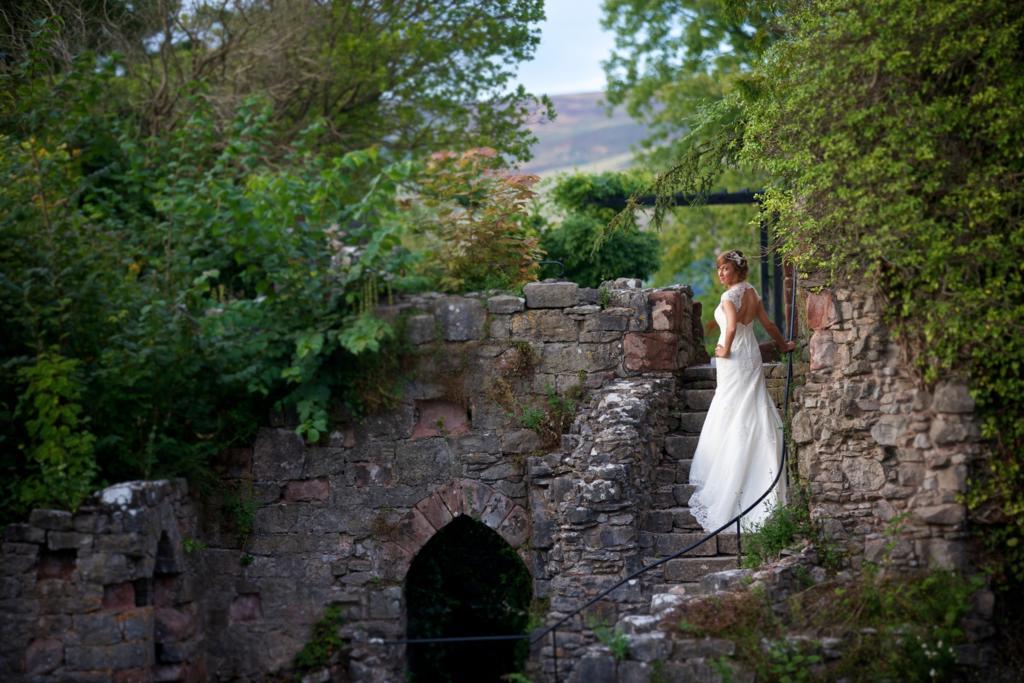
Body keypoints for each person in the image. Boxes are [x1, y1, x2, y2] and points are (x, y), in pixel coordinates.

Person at [688, 250, 796, 533]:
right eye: (719, 269)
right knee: (752, 405)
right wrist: (783, 345)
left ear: (737, 270)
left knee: (732, 406)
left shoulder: (727, 297)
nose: (721, 274)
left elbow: (732, 327)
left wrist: (723, 348)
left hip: (735, 357)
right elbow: (768, 324)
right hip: (751, 356)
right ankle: (763, 468)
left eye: (725, 269)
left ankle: (734, 474)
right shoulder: (752, 292)